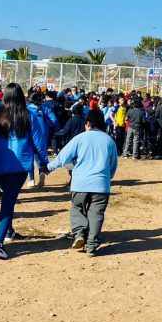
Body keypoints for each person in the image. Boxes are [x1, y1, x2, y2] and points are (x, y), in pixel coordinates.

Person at [0, 83, 49, 260]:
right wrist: (43, 164)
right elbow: (38, 142)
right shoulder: (28, 116)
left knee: (8, 198)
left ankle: (8, 231)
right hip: (18, 167)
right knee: (8, 203)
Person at [45, 109, 118, 256]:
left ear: (88, 124)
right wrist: (107, 177)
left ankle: (79, 234)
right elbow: (113, 164)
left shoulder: (80, 138)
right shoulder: (109, 140)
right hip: (101, 185)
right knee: (96, 213)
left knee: (77, 208)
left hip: (79, 183)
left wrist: (48, 168)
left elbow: (63, 157)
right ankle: (91, 245)